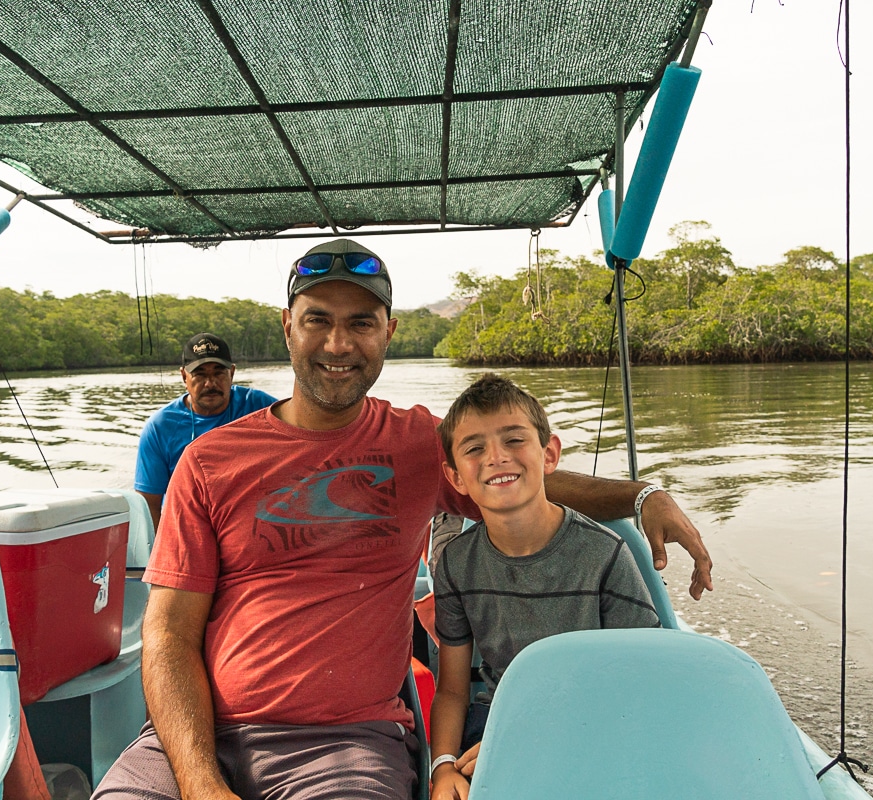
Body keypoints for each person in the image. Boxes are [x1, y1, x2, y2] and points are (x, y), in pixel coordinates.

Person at [95, 238, 713, 800]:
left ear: (388, 333)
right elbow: (170, 635)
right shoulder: (208, 459)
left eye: (361, 323)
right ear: (287, 328)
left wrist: (642, 496)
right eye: (318, 321)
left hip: (345, 746)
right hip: (195, 741)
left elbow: (520, 478)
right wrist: (200, 781)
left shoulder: (418, 443)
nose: (339, 344)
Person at [427, 375, 661, 800]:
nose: (496, 457)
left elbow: (639, 684)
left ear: (549, 453)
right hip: (496, 722)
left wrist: (539, 739)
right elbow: (453, 689)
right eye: (475, 448)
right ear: (455, 476)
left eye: (514, 440)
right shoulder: (456, 564)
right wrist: (442, 766)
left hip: (595, 723)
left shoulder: (604, 555)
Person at [133, 333, 275, 530]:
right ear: (184, 376)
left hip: (247, 521)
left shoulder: (261, 407)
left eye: (218, 373)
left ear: (231, 373)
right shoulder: (160, 427)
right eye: (200, 374)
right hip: (189, 524)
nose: (210, 384)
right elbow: (149, 503)